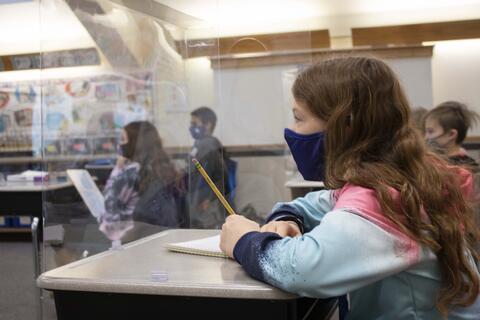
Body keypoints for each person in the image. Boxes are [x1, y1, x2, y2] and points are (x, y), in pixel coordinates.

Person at [220, 57, 480, 319]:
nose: (291, 129)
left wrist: (244, 239)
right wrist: (288, 219)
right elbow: (313, 204)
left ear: (345, 126)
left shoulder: (386, 202)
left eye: (299, 118)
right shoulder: (396, 178)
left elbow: (302, 269)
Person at [99, 121, 183, 243]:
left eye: (123, 140)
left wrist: (117, 169)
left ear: (134, 143)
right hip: (162, 237)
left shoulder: (131, 172)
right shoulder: (163, 169)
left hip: (133, 239)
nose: (120, 144)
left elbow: (108, 204)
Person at [188, 106, 230, 229]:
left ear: (208, 125)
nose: (191, 127)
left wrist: (209, 199)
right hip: (201, 200)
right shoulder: (200, 144)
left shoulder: (209, 145)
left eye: (195, 123)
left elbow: (220, 176)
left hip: (207, 204)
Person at [424, 101, 480, 172]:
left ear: (451, 134)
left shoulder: (465, 168)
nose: (426, 137)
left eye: (430, 131)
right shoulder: (435, 162)